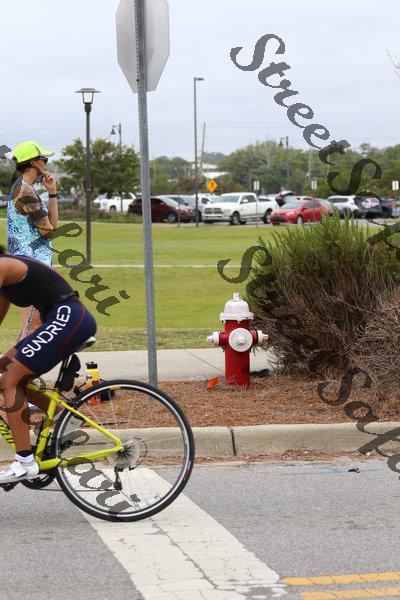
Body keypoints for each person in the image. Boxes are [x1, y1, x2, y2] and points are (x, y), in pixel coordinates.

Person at [0, 250, 96, 484]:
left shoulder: (2, 266)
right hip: (63, 319)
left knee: (10, 381)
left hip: (69, 318)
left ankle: (24, 462)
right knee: (5, 368)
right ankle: (66, 417)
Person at [7, 141, 58, 340]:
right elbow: (48, 231)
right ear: (33, 163)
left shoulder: (26, 188)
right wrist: (49, 228)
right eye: (43, 159)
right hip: (31, 266)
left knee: (31, 326)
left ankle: (17, 363)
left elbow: (52, 226)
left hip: (34, 265)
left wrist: (52, 192)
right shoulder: (25, 191)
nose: (45, 163)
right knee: (33, 326)